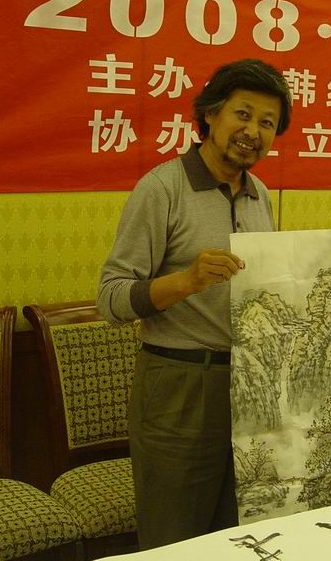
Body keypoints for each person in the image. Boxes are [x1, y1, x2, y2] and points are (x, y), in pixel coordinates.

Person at [97, 58, 292, 549]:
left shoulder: (259, 193)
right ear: (209, 114)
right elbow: (112, 298)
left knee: (240, 534)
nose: (253, 132)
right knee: (175, 538)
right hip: (180, 384)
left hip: (250, 386)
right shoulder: (162, 187)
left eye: (267, 123)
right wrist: (186, 281)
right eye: (242, 114)